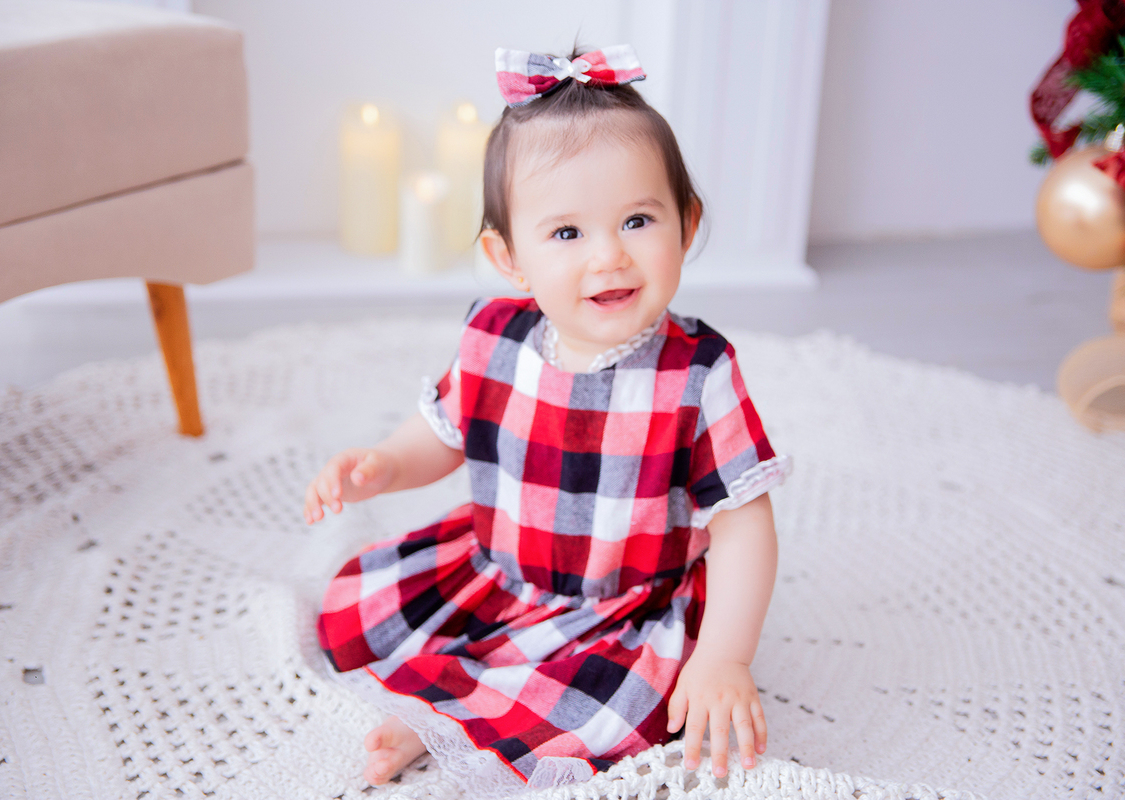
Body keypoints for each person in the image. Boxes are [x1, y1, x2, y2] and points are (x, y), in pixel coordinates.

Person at [306, 44, 791, 793]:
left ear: (687, 225)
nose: (608, 258)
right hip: (500, 573)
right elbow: (444, 436)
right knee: (355, 612)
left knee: (620, 711)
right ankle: (450, 699)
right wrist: (383, 466)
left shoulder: (699, 372)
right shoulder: (495, 338)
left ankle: (442, 720)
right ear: (510, 258)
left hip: (626, 605)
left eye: (637, 220)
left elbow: (743, 522)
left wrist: (725, 654)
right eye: (567, 233)